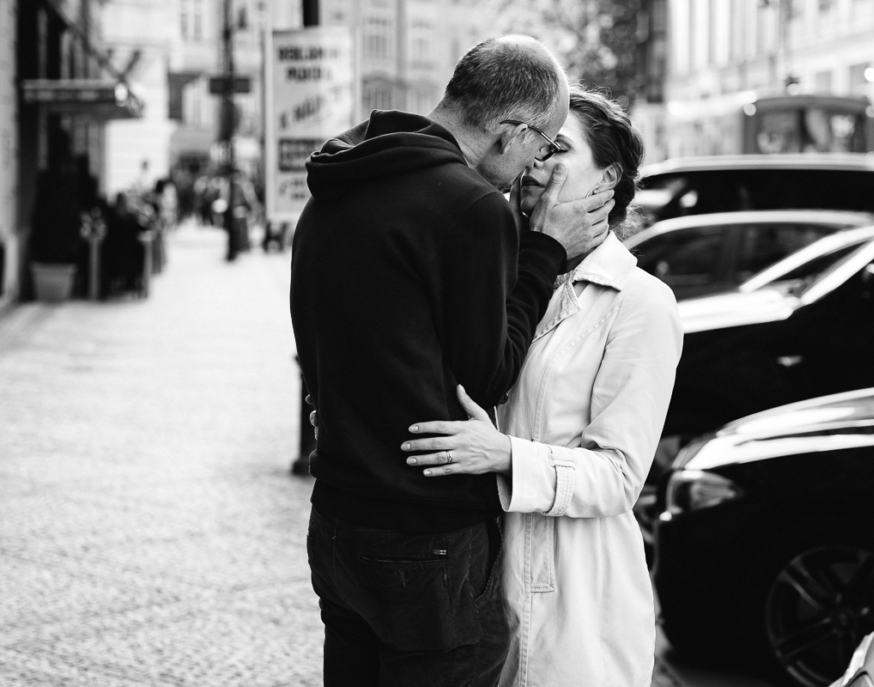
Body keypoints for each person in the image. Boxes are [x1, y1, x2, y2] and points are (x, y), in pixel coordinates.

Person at [290, 37, 615, 687]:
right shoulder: (468, 206)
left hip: (339, 521)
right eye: (542, 145)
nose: (535, 165)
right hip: (427, 537)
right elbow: (489, 375)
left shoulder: (337, 181)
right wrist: (546, 249)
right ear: (509, 133)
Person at [401, 88, 684, 687]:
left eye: (555, 148)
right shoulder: (501, 276)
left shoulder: (640, 304)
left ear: (609, 176)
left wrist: (503, 455)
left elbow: (619, 477)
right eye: (531, 144)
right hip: (473, 576)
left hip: (579, 593)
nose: (532, 162)